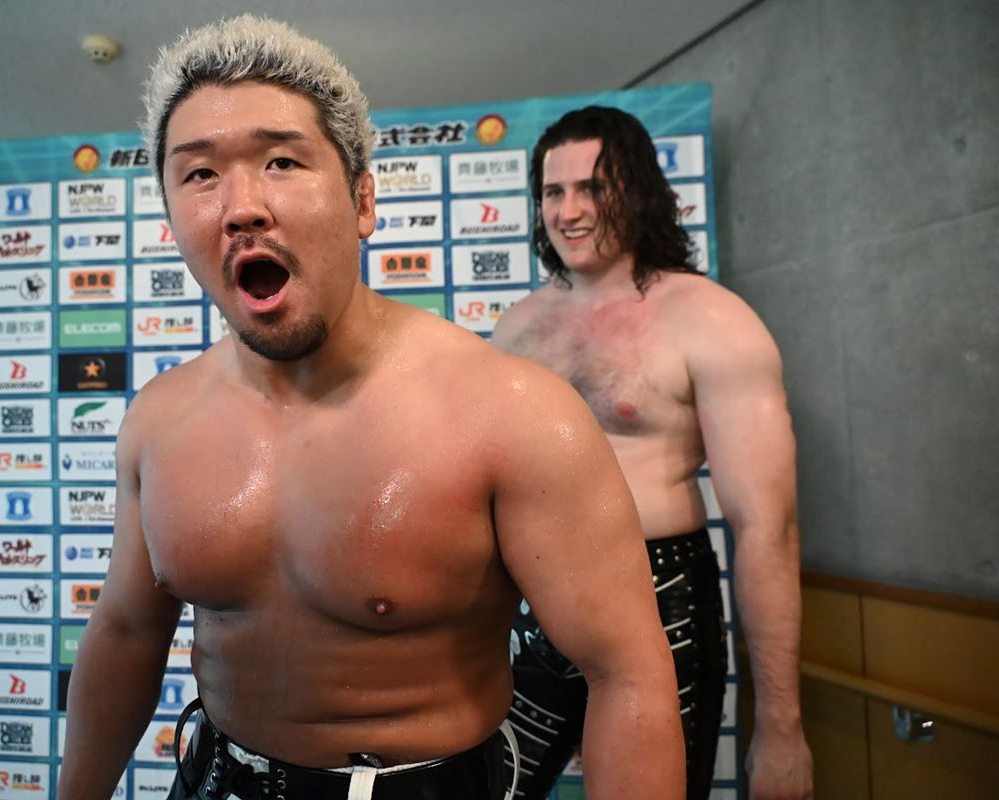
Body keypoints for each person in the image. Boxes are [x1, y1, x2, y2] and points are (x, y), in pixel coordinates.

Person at [58, 16, 684, 800]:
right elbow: (126, 632)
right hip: (215, 779)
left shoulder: (513, 414)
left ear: (363, 200)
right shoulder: (158, 421)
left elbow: (627, 675)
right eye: (200, 174)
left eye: (281, 161)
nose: (241, 206)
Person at [492, 106, 814, 800]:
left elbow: (767, 526)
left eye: (593, 187)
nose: (569, 211)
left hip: (662, 595)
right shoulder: (517, 329)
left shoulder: (711, 319)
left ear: (637, 192)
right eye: (553, 191)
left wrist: (781, 728)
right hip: (532, 598)